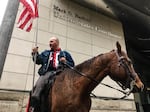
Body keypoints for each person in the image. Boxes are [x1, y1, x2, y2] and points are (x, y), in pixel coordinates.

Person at [30, 36, 75, 107]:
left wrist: (65, 61)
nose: (49, 43)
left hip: (61, 72)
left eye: (51, 41)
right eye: (49, 42)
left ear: (56, 42)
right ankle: (35, 98)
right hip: (48, 72)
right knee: (40, 82)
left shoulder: (65, 53)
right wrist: (35, 53)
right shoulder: (46, 53)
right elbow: (38, 60)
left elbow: (72, 65)